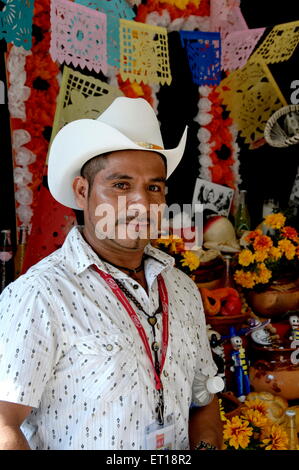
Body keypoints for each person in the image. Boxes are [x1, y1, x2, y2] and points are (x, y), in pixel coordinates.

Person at [0, 97, 223, 450]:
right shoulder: (40, 294)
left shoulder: (181, 288)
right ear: (82, 192)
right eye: (120, 185)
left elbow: (204, 400)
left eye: (154, 187)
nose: (142, 203)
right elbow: (3, 424)